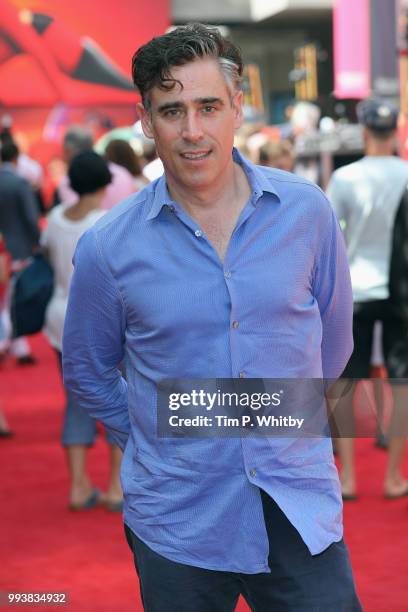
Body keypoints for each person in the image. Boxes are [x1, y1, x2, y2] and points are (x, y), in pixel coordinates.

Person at [63, 23, 361, 610]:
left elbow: (334, 342)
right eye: (173, 111)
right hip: (177, 519)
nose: (193, 131)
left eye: (208, 107)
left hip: (297, 501)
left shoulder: (307, 213)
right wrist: (152, 432)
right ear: (146, 121)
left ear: (238, 107)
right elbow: (87, 370)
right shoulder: (108, 248)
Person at [327, 97, 408, 500]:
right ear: (395, 130)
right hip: (401, 292)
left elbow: (328, 238)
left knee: (344, 381)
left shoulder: (345, 178)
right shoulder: (407, 175)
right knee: (400, 381)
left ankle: (348, 477)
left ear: (364, 131)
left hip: (354, 288)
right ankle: (394, 476)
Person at [42, 151, 123, 511]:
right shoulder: (106, 222)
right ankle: (115, 487)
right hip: (102, 321)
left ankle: (78, 486)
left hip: (60, 318)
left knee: (75, 402)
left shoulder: (56, 218)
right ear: (105, 182)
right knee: (117, 399)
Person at [0, 140, 40, 365]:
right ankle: (11, 343)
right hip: (18, 250)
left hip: (2, 249)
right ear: (16, 159)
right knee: (13, 298)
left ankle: (14, 344)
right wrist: (36, 243)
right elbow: (30, 218)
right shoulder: (19, 183)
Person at [56, 126, 135, 210]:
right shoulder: (122, 173)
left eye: (64, 152)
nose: (63, 157)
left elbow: (78, 219)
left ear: (68, 150)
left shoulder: (68, 181)